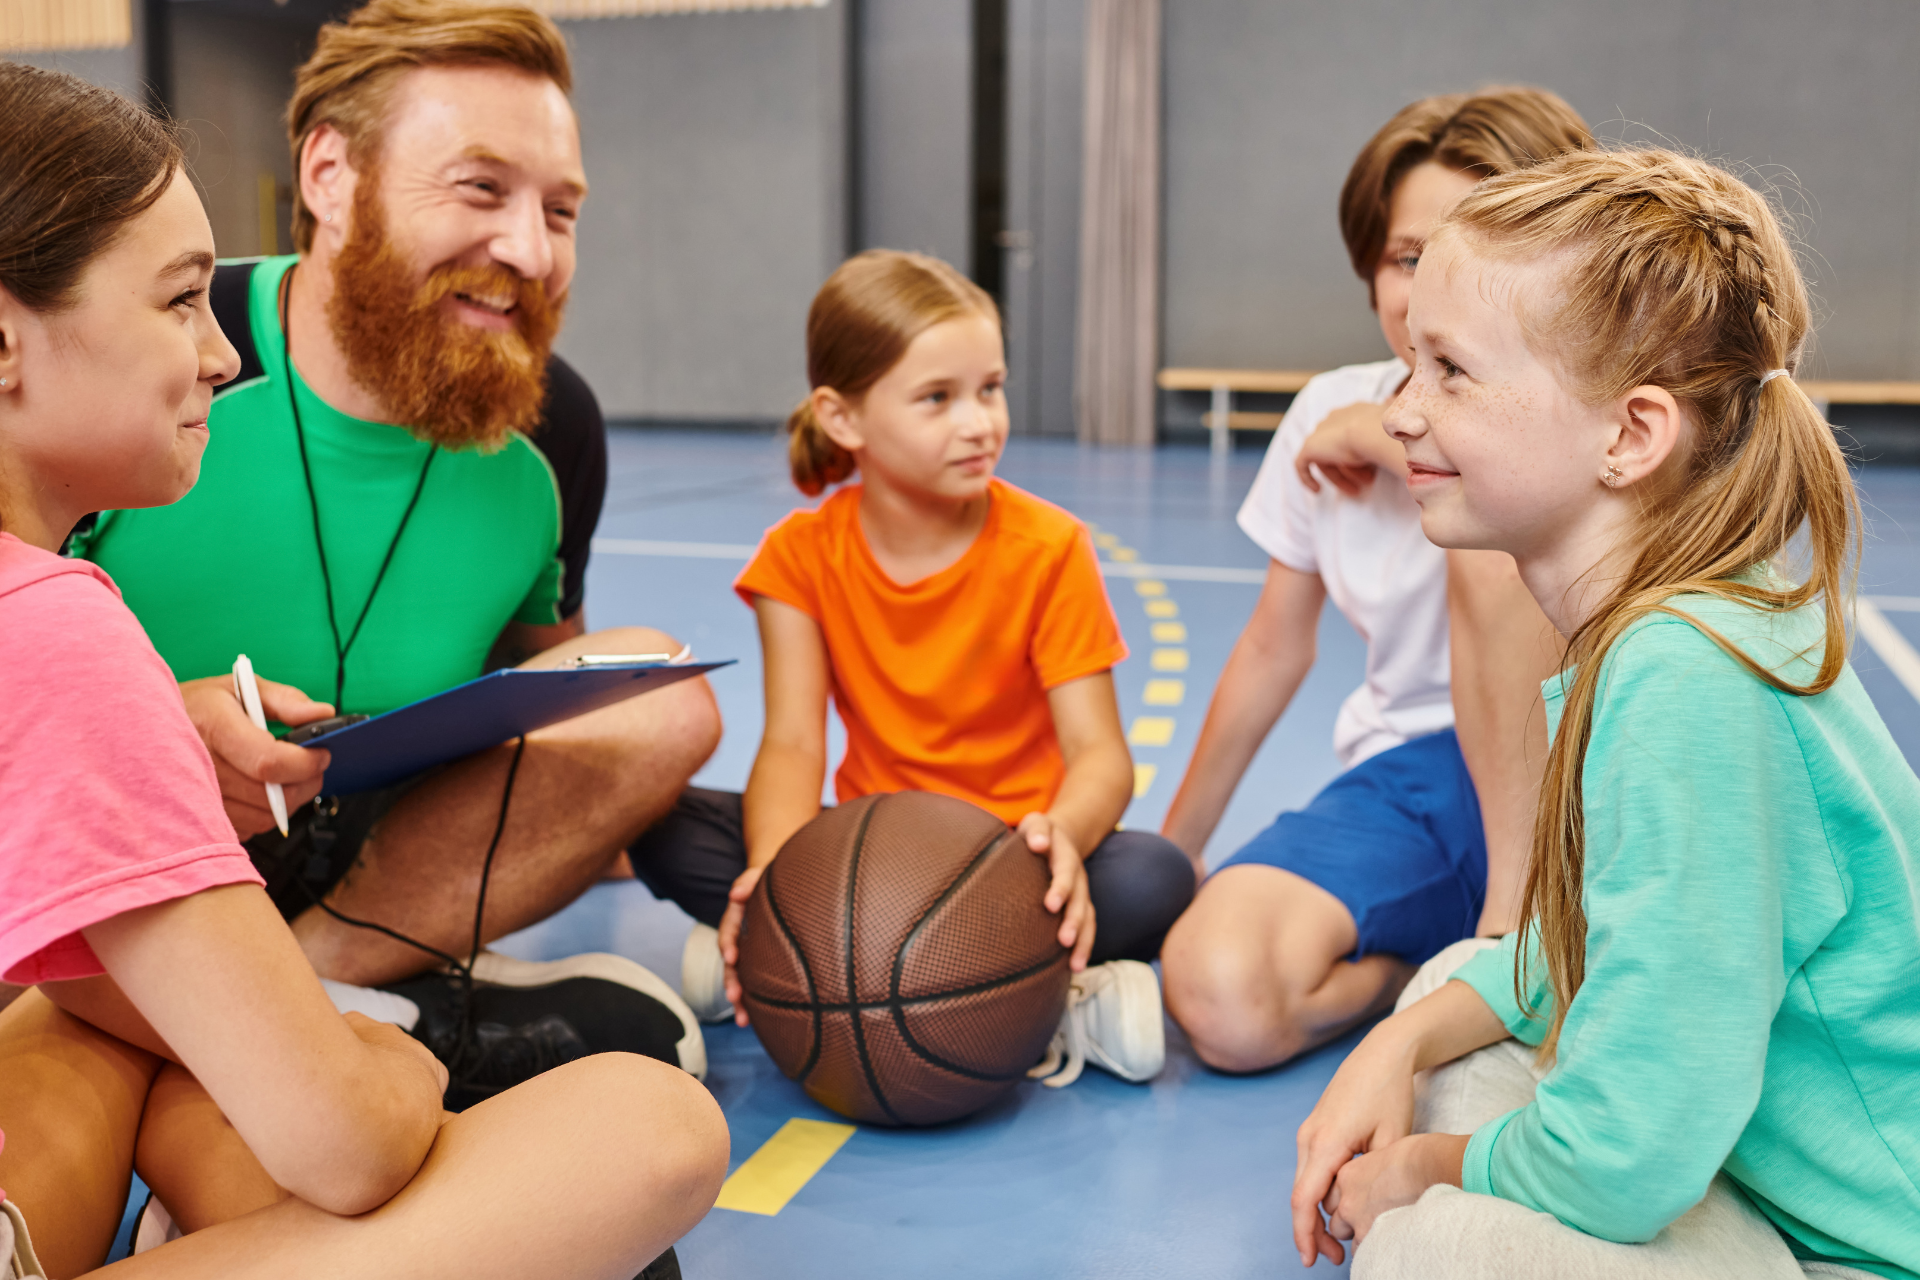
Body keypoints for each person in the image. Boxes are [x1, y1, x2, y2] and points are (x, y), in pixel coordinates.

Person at [0, 62, 725, 1279]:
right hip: (236, 968)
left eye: (562, 211)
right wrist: (373, 1064)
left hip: (215, 914)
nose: (221, 356)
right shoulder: (61, 618)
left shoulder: (546, 436)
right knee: (648, 1128)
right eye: (180, 302)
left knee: (101, 1035)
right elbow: (347, 1144)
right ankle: (326, 1036)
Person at [1290, 147, 1919, 1280]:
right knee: (1446, 989)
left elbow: (1627, 1157)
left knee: (1442, 1248)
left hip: (1871, 1245)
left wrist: (1428, 1168)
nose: (1401, 413)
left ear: (1630, 436)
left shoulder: (1688, 680)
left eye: (1450, 373)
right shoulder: (1660, 628)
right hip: (1738, 1151)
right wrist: (1396, 1041)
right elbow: (1584, 947)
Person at [627, 250, 1195, 1086]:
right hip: (869, 865)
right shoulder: (801, 556)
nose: (979, 422)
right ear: (843, 418)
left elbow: (1100, 755)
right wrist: (774, 885)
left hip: (1011, 859)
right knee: (661, 825)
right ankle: (976, 976)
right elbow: (790, 743)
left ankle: (999, 990)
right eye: (938, 398)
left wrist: (1063, 840)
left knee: (1154, 876)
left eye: (989, 388)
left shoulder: (1049, 550)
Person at [1158, 88, 1589, 1072]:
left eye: (1482, 251)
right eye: (1410, 256)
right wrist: (1174, 855)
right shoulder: (1332, 407)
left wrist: (1390, 444)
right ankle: (1427, 967)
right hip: (1416, 780)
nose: (1437, 283)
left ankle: (1508, 942)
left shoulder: (1591, 414)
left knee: (1486, 542)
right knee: (1222, 989)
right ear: (1372, 270)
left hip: (1584, 775)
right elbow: (1273, 646)